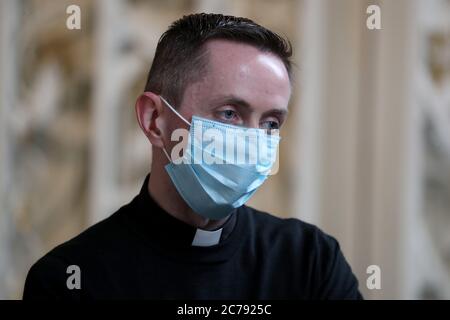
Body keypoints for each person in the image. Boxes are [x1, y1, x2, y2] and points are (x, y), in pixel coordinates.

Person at [23, 13, 362, 299]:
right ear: (154, 120)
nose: (254, 140)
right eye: (229, 113)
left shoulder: (311, 263)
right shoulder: (70, 279)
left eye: (271, 122)